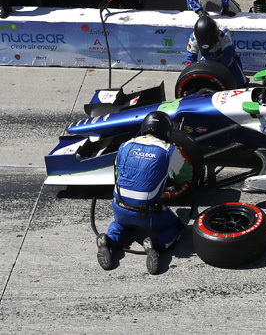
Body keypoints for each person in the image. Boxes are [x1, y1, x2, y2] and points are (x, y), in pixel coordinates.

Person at [96, 111, 192, 275]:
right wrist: (168, 173)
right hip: (148, 214)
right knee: (175, 226)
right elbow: (186, 174)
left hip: (119, 207)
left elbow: (119, 174)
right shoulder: (168, 150)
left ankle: (109, 241)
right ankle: (156, 244)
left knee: (121, 224)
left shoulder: (125, 146)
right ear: (167, 131)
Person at [185, 14, 246, 88]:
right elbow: (190, 59)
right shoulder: (193, 38)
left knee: (241, 84)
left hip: (225, 59)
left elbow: (229, 55)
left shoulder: (224, 34)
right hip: (208, 60)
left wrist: (218, 71)